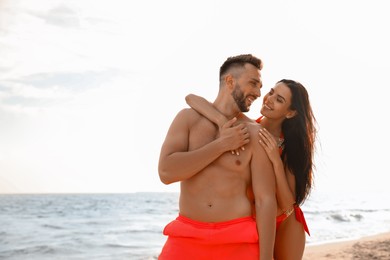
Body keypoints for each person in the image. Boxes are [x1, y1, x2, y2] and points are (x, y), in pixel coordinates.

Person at [158, 54, 277, 260]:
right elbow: (166, 172)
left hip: (238, 241)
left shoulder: (255, 133)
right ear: (230, 81)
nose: (259, 93)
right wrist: (222, 145)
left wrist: (266, 258)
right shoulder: (187, 119)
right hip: (186, 238)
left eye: (260, 86)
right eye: (253, 83)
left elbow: (265, 199)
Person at [186, 79, 316, 260]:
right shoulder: (245, 125)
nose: (269, 99)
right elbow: (191, 98)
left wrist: (275, 161)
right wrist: (222, 121)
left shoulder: (292, 146)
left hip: (286, 223)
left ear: (290, 112)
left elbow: (288, 204)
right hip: (254, 222)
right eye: (271, 92)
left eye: (279, 100)